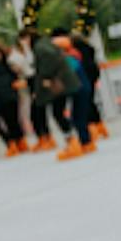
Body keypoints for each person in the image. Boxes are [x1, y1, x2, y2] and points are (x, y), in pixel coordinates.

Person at [30, 26, 89, 159]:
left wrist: (46, 77)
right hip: (72, 85)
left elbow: (49, 64)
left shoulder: (44, 49)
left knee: (61, 113)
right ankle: (83, 142)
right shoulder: (58, 51)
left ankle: (75, 143)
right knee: (70, 114)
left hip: (64, 86)